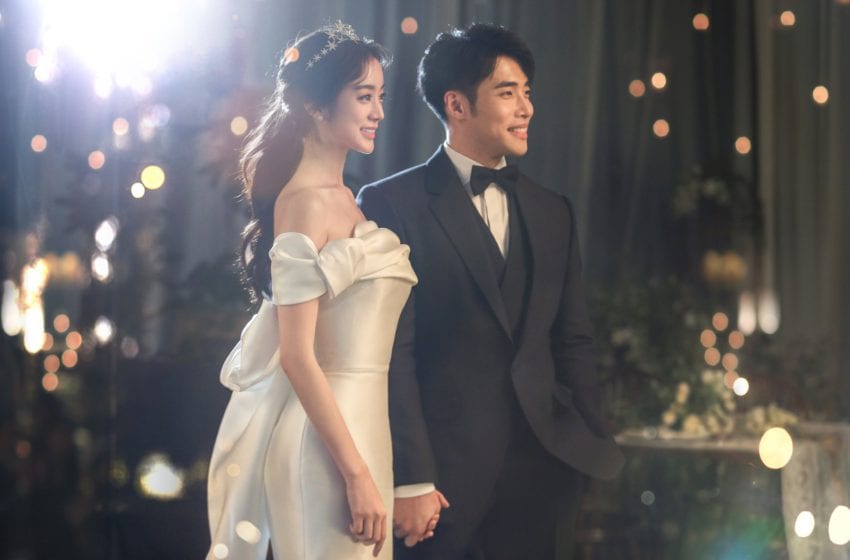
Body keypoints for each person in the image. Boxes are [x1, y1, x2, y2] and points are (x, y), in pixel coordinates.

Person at [358, 23, 625, 559]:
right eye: (507, 93)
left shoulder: (554, 211)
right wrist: (411, 477)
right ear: (457, 105)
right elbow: (390, 355)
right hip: (439, 484)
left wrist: (591, 444)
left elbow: (574, 339)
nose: (526, 108)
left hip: (544, 474)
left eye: (527, 92)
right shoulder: (391, 204)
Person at [207, 23, 420, 560]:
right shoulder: (304, 203)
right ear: (316, 107)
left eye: (380, 97)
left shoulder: (345, 198)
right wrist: (355, 473)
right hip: (323, 448)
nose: (378, 112)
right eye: (364, 96)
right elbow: (297, 356)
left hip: (364, 432)